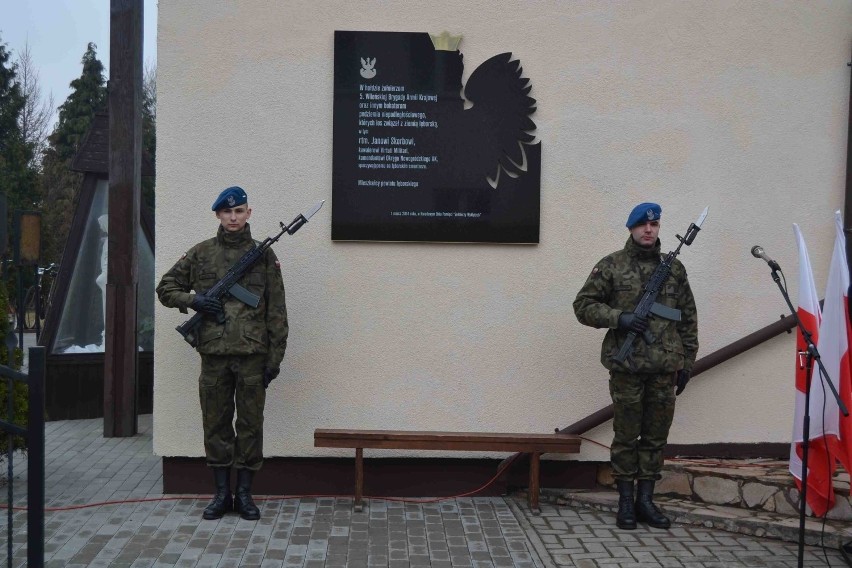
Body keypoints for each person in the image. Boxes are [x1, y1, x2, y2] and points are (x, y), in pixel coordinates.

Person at [156, 186, 289, 521]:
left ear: (249, 213)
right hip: (214, 356)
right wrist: (194, 301)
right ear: (218, 214)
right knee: (215, 425)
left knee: (249, 426)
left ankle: (244, 495)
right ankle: (220, 494)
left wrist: (274, 360)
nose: (233, 217)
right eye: (227, 212)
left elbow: (277, 313)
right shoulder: (200, 254)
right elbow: (166, 288)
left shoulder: (264, 256)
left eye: (239, 211)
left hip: (252, 357)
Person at [573, 202, 698, 530]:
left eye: (654, 226)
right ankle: (626, 502)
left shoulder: (675, 270)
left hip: (663, 369)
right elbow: (583, 306)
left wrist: (687, 363)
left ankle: (646, 501)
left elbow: (687, 319)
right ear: (631, 228)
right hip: (627, 367)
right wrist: (621, 318)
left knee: (656, 438)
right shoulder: (612, 266)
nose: (648, 230)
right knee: (626, 437)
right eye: (642, 225)